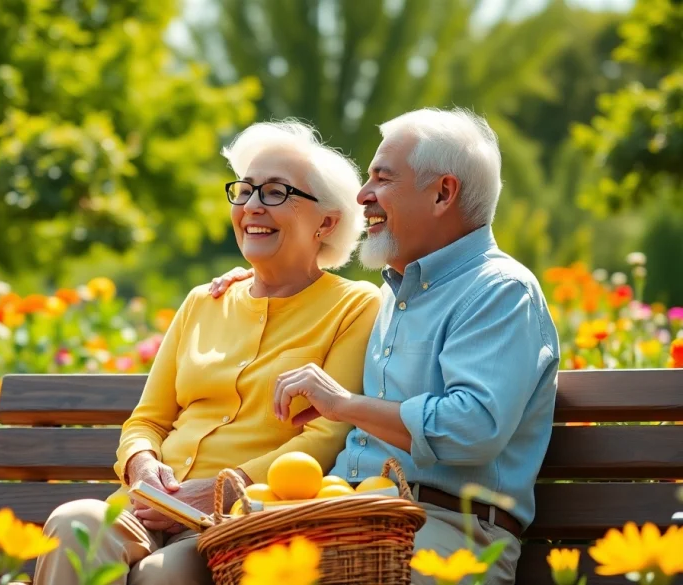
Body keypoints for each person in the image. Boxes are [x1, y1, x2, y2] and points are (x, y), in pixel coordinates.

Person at [209, 108, 559, 584]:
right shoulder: (393, 293)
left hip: (446, 533)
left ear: (443, 193)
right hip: (353, 518)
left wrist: (345, 405)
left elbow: (473, 428)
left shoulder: (499, 290)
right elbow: (303, 283)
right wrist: (254, 277)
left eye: (382, 178)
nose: (362, 195)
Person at [33, 120, 382, 585]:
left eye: (276, 192)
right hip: (143, 508)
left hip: (238, 523)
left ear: (327, 222)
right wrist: (140, 464)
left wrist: (218, 490)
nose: (252, 206)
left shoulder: (355, 305)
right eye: (245, 191)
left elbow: (325, 436)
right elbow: (148, 420)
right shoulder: (204, 300)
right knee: (75, 523)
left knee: (159, 577)